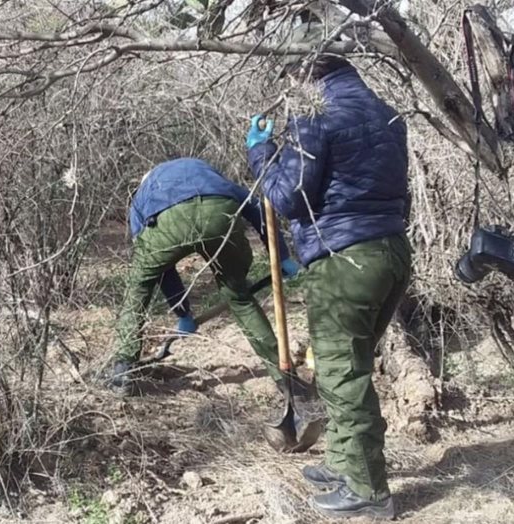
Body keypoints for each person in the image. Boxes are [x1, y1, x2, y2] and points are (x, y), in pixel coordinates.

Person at [246, 23, 412, 521]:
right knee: (351, 365)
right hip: (391, 251)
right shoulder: (388, 113)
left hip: (345, 261)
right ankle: (343, 462)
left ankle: (368, 492)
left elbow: (288, 197)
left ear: (305, 70)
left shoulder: (316, 116)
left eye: (291, 77)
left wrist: (260, 153)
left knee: (343, 375)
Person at [107, 157, 300, 396]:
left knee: (138, 289)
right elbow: (257, 207)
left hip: (165, 226)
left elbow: (160, 271)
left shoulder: (141, 200)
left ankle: (123, 371)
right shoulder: (208, 174)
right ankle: (287, 380)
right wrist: (281, 255)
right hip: (219, 211)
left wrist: (183, 313)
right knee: (240, 298)